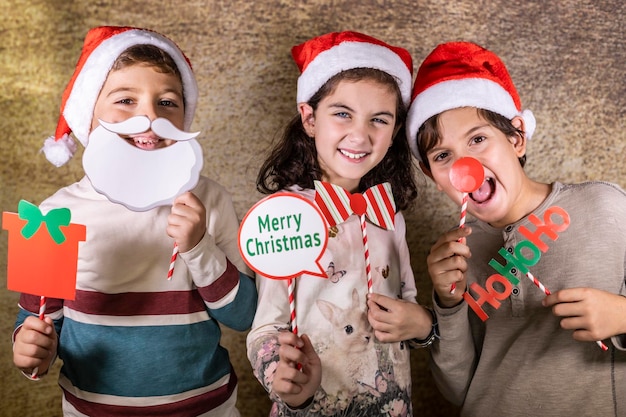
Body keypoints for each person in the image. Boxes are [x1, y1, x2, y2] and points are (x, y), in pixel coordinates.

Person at [11, 26, 257, 417]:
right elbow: (37, 323)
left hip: (208, 408)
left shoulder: (210, 200)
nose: (149, 116)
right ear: (87, 116)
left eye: (167, 102)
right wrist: (30, 353)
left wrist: (198, 246)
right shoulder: (50, 215)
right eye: (126, 100)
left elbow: (242, 316)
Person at [406, 41, 626, 416]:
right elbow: (457, 389)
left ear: (517, 138)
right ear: (434, 176)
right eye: (443, 156)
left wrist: (622, 316)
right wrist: (448, 303)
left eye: (478, 139)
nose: (465, 164)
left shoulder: (605, 207)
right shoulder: (458, 257)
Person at [246, 31, 436, 416]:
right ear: (310, 118)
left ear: (395, 130)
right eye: (342, 113)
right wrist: (282, 379)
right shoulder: (285, 214)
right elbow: (266, 329)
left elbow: (410, 307)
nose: (360, 135)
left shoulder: (390, 216)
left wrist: (421, 325)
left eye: (379, 120)